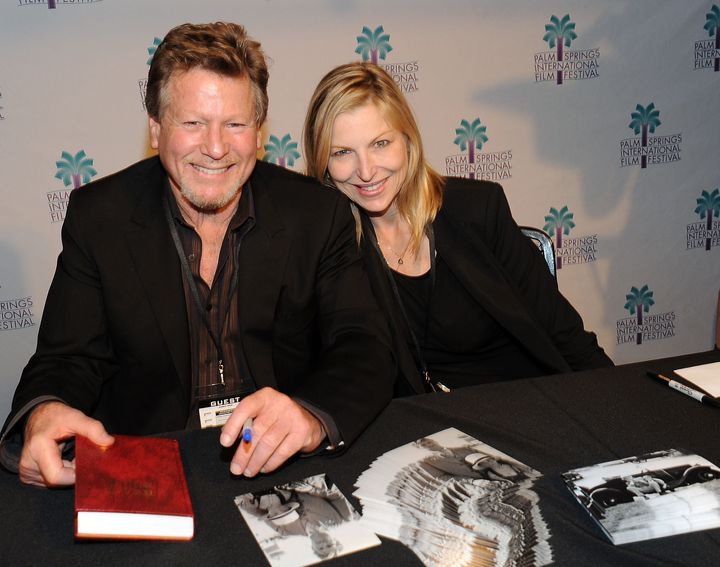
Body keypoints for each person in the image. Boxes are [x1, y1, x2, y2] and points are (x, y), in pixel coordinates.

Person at [0, 24, 394, 487]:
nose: (215, 147)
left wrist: (308, 416)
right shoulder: (100, 217)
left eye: (235, 124)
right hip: (154, 468)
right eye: (193, 123)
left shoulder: (316, 212)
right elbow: (67, 359)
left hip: (282, 463)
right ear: (155, 128)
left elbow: (364, 344)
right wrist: (46, 411)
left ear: (259, 132)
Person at [303, 62, 613, 395]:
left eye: (380, 144)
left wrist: (622, 402)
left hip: (524, 402)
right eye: (343, 152)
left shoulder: (478, 209)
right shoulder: (328, 247)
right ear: (323, 163)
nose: (366, 171)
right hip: (420, 430)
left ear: (407, 140)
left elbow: (563, 333)